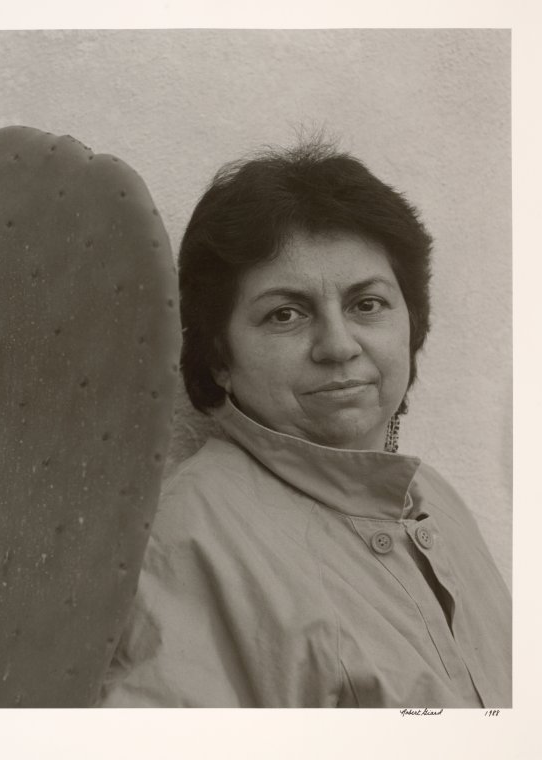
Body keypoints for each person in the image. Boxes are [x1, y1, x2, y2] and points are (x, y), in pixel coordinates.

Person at [100, 141, 511, 708]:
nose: (338, 346)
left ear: (412, 324)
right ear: (218, 357)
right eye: (285, 314)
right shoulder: (190, 538)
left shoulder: (437, 499)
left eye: (367, 304)